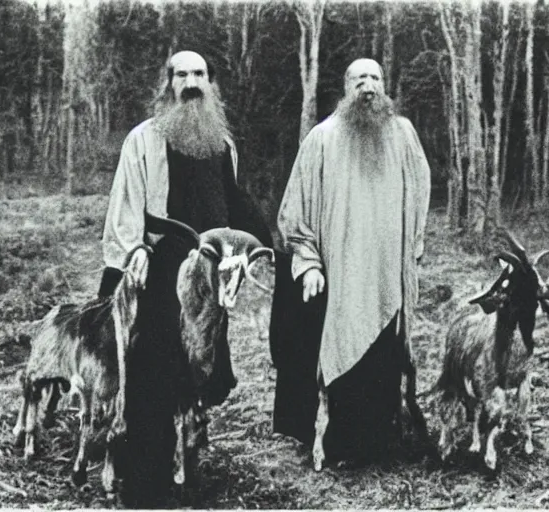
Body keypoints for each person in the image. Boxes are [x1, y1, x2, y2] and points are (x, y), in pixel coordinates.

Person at [99, 50, 271, 507]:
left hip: (208, 282)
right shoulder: (145, 140)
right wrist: (133, 251)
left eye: (199, 74)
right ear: (167, 83)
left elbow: (233, 204)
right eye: (181, 74)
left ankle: (187, 471)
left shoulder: (223, 145)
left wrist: (263, 243)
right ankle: (146, 489)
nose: (191, 83)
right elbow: (126, 208)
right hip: (159, 275)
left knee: (194, 376)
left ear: (211, 84)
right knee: (151, 379)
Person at [273, 58, 431, 465]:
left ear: (385, 85)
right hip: (342, 275)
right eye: (359, 79)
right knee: (342, 351)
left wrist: (413, 244)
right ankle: (342, 447)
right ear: (346, 88)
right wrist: (308, 261)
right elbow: (295, 209)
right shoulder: (322, 138)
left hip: (387, 273)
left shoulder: (403, 135)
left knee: (385, 355)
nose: (368, 86)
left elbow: (420, 188)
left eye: (375, 78)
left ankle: (384, 444)